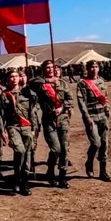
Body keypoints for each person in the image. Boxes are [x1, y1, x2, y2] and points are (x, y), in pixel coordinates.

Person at [28, 60, 73, 188]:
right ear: (43, 69)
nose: (50, 70)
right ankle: (50, 171)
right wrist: (47, 81)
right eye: (47, 67)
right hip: (49, 120)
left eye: (52, 67)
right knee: (56, 149)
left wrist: (62, 108)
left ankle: (62, 176)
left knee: (64, 149)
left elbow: (70, 100)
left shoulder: (63, 83)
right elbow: (31, 82)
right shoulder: (40, 83)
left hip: (63, 119)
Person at [0, 70, 36, 195]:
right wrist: (2, 131)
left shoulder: (27, 92)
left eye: (16, 76)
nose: (14, 79)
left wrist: (34, 127)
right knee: (20, 150)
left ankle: (23, 182)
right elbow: (1, 115)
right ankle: (17, 178)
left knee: (27, 155)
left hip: (27, 126)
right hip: (12, 126)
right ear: (7, 79)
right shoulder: (4, 95)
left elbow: (33, 111)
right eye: (11, 77)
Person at [76, 61, 111, 182]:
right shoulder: (82, 83)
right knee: (96, 143)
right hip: (91, 117)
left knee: (104, 144)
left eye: (96, 67)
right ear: (87, 69)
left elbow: (105, 98)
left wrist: (107, 110)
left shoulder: (102, 81)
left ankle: (103, 171)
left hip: (103, 116)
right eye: (91, 67)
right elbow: (81, 102)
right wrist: (87, 117)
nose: (94, 69)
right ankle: (89, 162)